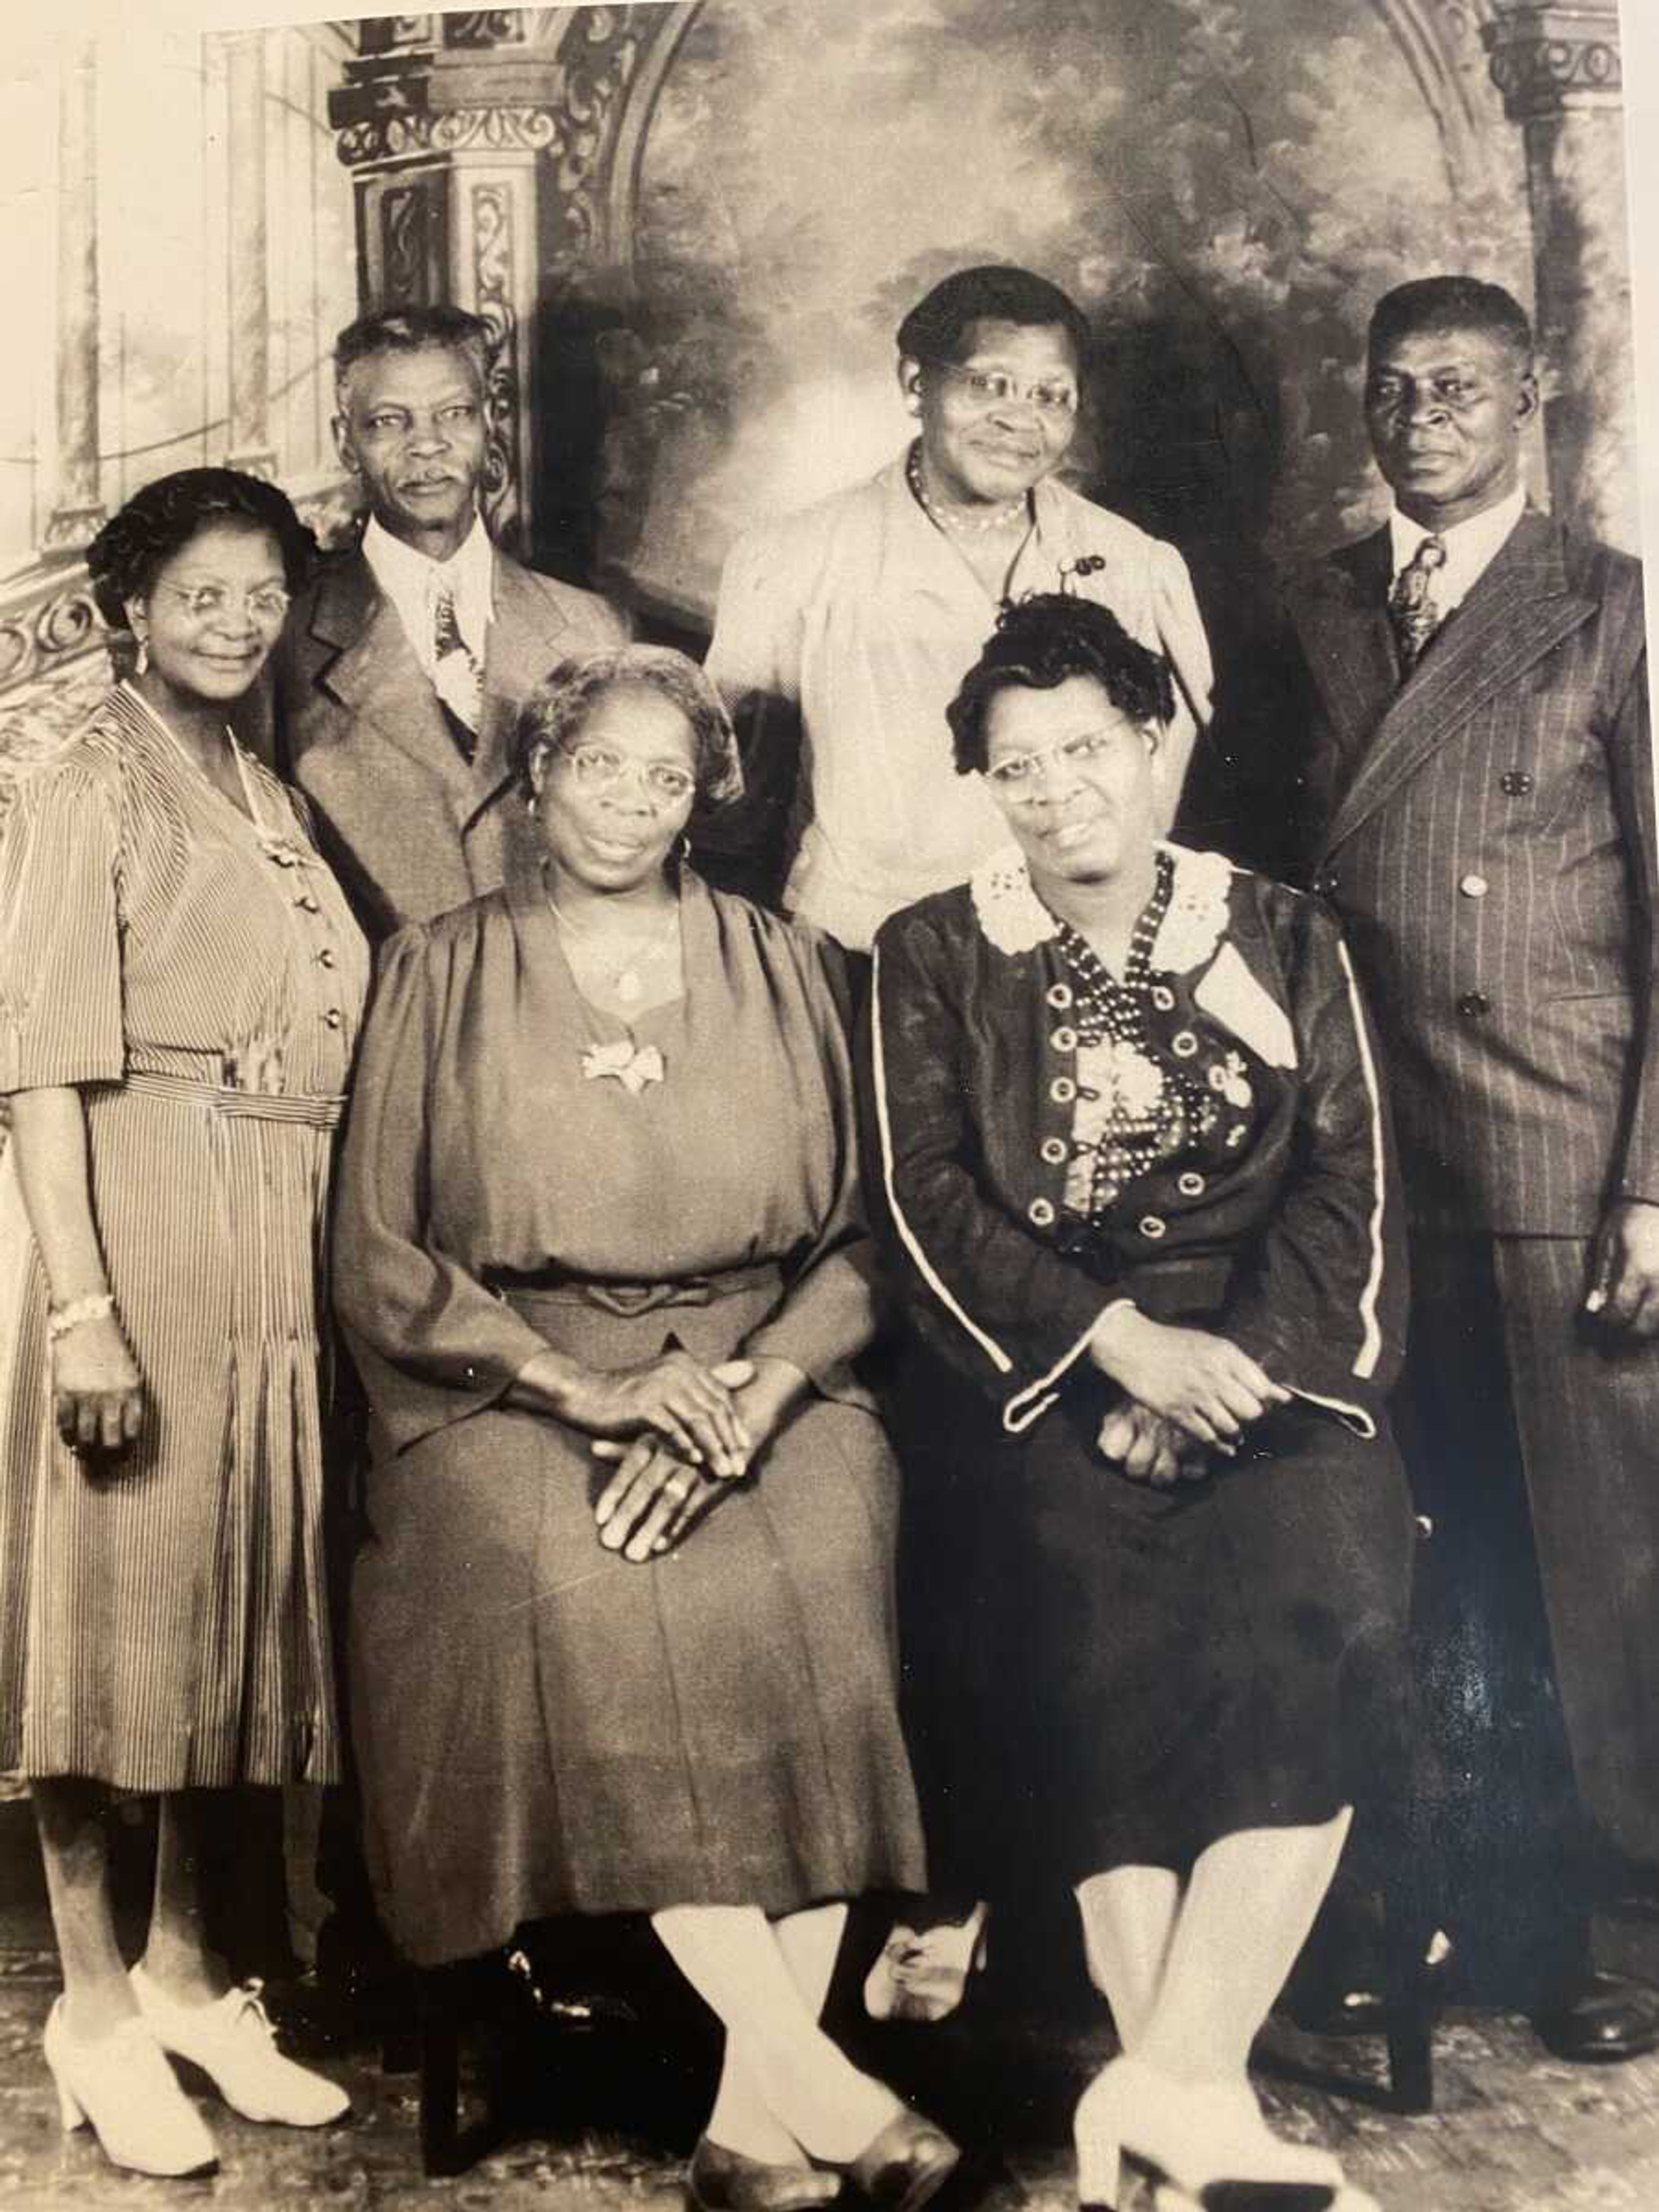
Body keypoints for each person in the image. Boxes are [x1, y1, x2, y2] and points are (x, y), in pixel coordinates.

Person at [332, 644, 956, 2211]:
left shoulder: (790, 963)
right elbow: (381, 1257)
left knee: (810, 1567)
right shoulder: (437, 966)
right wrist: (590, 1391)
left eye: (666, 776)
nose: (629, 801)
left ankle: (753, 2119)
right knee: (592, 1592)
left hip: (761, 1368)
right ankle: (813, 2077)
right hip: (513, 1383)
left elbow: (869, 1236)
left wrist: (757, 1390)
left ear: (706, 801)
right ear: (537, 774)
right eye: (598, 765)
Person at [865, 591, 1410, 2210]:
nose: (1056, 792)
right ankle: (1195, 2104)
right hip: (1039, 1381)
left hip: (1268, 1367)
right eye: (1016, 766)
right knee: (1092, 1612)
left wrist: (1226, 1376)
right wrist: (1111, 1346)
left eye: (1087, 749)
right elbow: (926, 1204)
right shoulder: (934, 951)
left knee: (1336, 1588)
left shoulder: (1288, 931)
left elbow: (1346, 1182)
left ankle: (1167, 2088)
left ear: (1157, 744)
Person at [1285, 274, 1659, 2061]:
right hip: (1358, 1155)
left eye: (1463, 383)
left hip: (1549, 1145)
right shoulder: (1309, 608)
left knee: (1574, 1560)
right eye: (1399, 381)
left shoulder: (1613, 609)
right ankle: (1409, 1899)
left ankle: (1585, 1923)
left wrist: (1654, 1182)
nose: (1424, 406)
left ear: (1531, 405)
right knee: (1392, 1556)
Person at [0, 468, 365, 2177]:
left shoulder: (267, 785)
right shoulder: (92, 783)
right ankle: (88, 2004)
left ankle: (189, 1971)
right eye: (201, 591)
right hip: (145, 1210)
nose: (237, 620)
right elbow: (44, 1067)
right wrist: (83, 1306)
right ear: (132, 604)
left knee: (234, 1613)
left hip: (280, 1230)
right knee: (116, 1620)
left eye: (263, 593)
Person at [706, 263, 1212, 950]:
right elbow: (735, 809)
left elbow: (1155, 805)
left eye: (1051, 396)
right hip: (860, 956)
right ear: (916, 383)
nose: (1018, 419)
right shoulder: (795, 559)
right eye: (988, 385)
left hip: (1069, 961)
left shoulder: (1134, 567)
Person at [267, 303, 629, 941]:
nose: (427, 445)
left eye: (454, 414)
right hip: (381, 1024)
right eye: (387, 422)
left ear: (491, 424)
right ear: (345, 442)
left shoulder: (592, 627)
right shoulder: (281, 645)